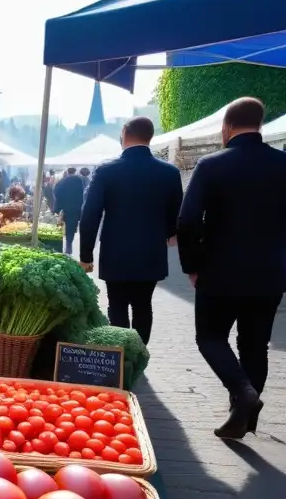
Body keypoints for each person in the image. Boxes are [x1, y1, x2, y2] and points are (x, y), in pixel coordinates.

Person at [178, 97, 286, 439]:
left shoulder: (212, 165)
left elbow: (187, 220)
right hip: (270, 273)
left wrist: (191, 265)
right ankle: (244, 417)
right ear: (261, 124)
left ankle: (242, 394)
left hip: (219, 271)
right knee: (255, 345)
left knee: (210, 337)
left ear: (226, 126)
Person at [78, 117, 182, 345]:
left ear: (124, 133)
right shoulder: (169, 173)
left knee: (117, 304)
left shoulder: (106, 171)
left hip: (116, 253)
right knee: (144, 305)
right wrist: (167, 233)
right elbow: (176, 212)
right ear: (150, 136)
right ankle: (140, 354)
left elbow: (90, 215)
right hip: (151, 253)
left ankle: (121, 357)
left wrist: (86, 255)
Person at [53, 166, 85, 255]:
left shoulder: (62, 181)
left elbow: (55, 192)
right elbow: (81, 196)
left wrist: (59, 205)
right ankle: (68, 246)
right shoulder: (78, 181)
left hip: (62, 208)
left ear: (67, 172)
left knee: (58, 228)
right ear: (75, 171)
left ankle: (57, 247)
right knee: (70, 229)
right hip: (74, 209)